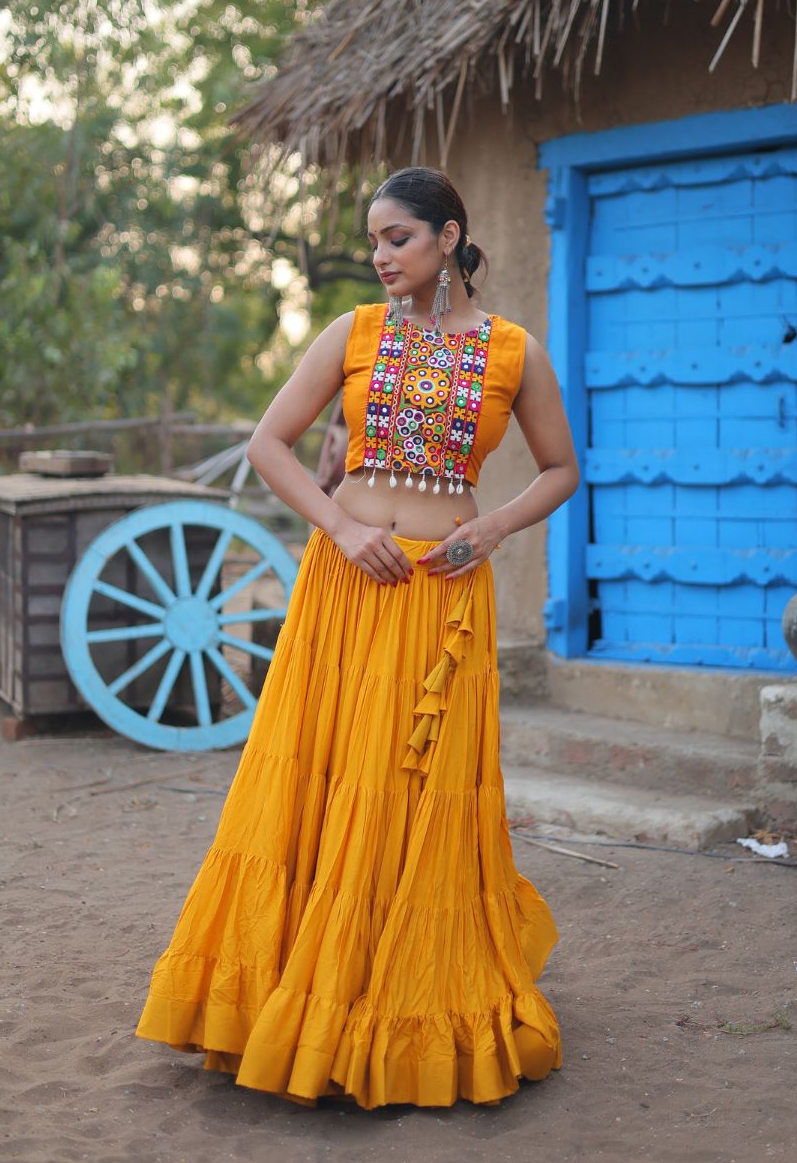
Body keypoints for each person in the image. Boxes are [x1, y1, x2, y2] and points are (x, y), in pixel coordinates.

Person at [135, 165, 580, 1110]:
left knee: (413, 795)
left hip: (440, 596)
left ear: (448, 237)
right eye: (374, 241)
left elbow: (560, 468)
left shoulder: (513, 351)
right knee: (324, 776)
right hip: (347, 584)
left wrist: (491, 528)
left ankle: (389, 1001)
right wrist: (342, 528)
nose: (380, 258)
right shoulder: (355, 333)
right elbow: (269, 443)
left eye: (398, 239)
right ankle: (297, 1000)